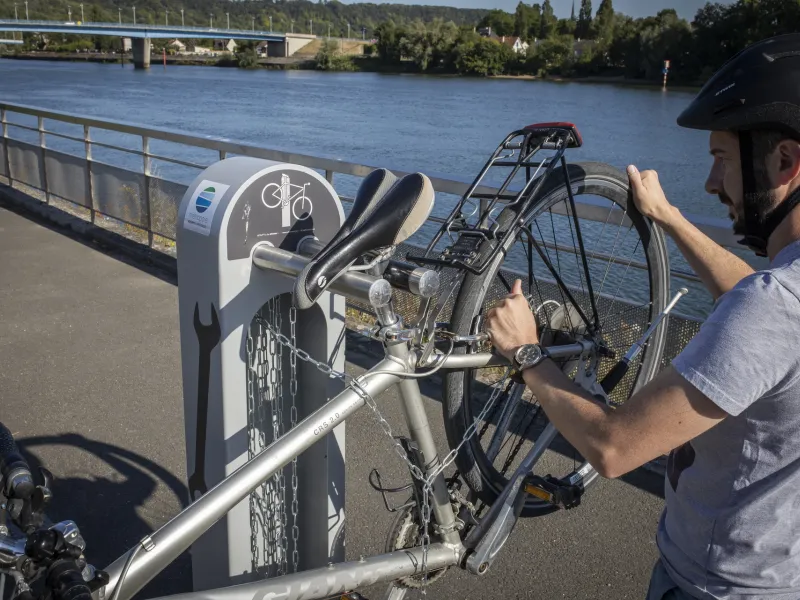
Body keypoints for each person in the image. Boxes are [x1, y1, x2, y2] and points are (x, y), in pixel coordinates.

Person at [485, 33, 800, 600]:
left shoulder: (773, 309)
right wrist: (671, 219)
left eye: (721, 158)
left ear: (784, 161)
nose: (711, 182)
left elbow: (612, 448)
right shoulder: (781, 297)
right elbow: (755, 297)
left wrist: (527, 353)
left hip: (716, 588)